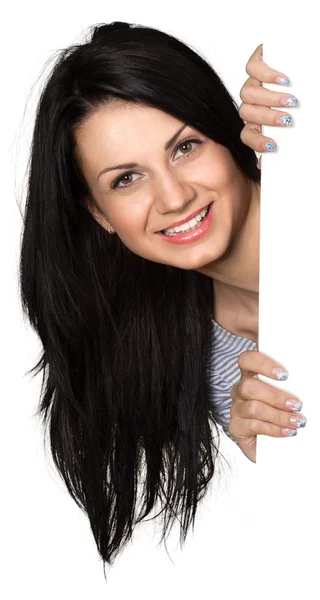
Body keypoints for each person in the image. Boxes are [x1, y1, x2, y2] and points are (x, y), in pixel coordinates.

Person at [18, 22, 306, 568]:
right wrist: (293, 465)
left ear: (226, 133)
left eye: (186, 147)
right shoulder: (217, 367)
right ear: (100, 214)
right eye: (126, 179)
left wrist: (304, 65)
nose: (172, 197)